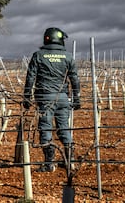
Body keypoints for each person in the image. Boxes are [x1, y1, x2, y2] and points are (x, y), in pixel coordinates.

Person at [23, 27, 81, 172]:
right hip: (63, 98)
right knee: (64, 129)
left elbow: (30, 77)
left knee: (45, 129)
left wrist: (26, 97)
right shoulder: (68, 57)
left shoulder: (38, 55)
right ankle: (70, 161)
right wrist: (76, 98)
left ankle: (49, 164)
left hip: (45, 98)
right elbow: (74, 79)